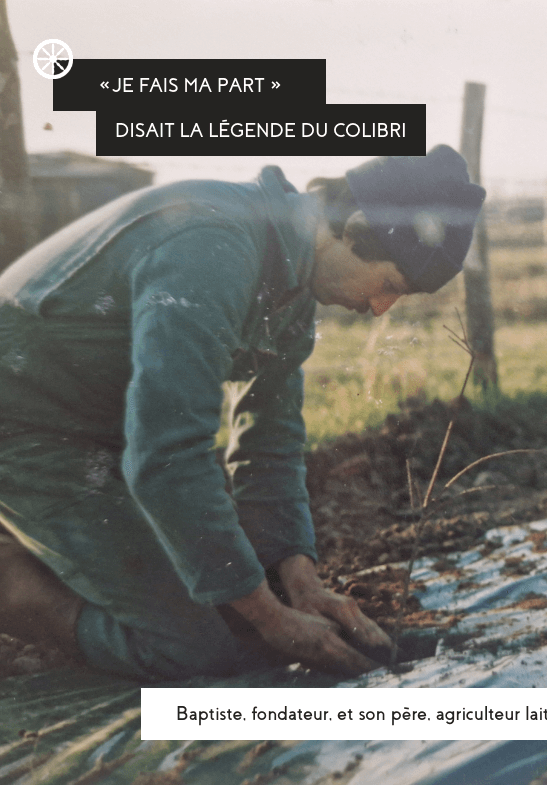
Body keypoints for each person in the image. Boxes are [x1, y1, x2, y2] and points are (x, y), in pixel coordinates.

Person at [0, 144, 485, 681]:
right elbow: (167, 455)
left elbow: (268, 444)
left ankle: (78, 554)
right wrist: (270, 615)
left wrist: (300, 584)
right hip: (25, 426)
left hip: (102, 429)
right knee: (193, 651)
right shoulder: (215, 247)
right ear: (353, 228)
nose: (378, 307)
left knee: (228, 604)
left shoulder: (293, 284)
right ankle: (15, 582)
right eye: (390, 284)